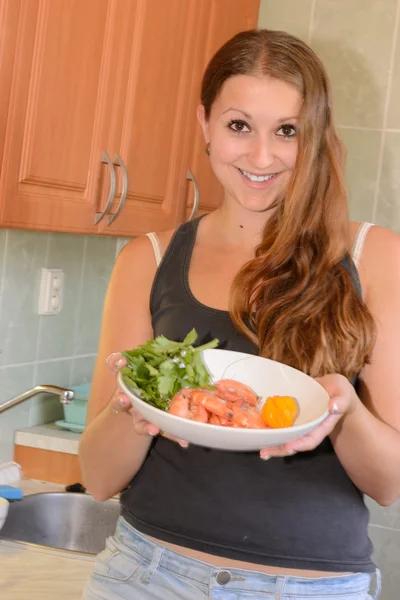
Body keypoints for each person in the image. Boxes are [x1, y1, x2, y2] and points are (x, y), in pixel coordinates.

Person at [79, 29, 400, 600]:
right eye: (238, 126)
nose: (261, 156)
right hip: (146, 574)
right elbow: (100, 478)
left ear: (316, 135)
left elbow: (389, 483)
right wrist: (133, 408)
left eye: (287, 131)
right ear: (205, 123)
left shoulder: (375, 257)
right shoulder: (147, 260)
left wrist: (343, 412)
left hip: (308, 589)